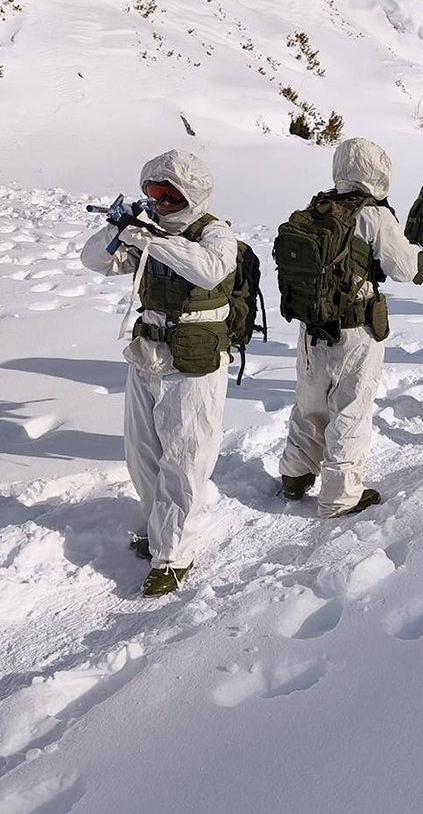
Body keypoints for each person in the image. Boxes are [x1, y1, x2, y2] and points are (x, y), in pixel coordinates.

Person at [79, 150, 237, 598]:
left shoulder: (215, 234)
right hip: (147, 353)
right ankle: (158, 529)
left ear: (193, 194)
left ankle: (174, 555)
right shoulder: (146, 233)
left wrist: (150, 238)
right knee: (143, 452)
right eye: (153, 193)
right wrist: (117, 227)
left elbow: (209, 271)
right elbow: (93, 260)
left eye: (170, 194)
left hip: (194, 361)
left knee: (185, 458)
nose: (162, 202)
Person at [277, 137, 419, 517]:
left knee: (310, 404)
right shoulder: (374, 215)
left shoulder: (318, 207)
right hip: (355, 329)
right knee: (350, 410)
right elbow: (403, 269)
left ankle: (294, 474)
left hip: (311, 327)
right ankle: (339, 497)